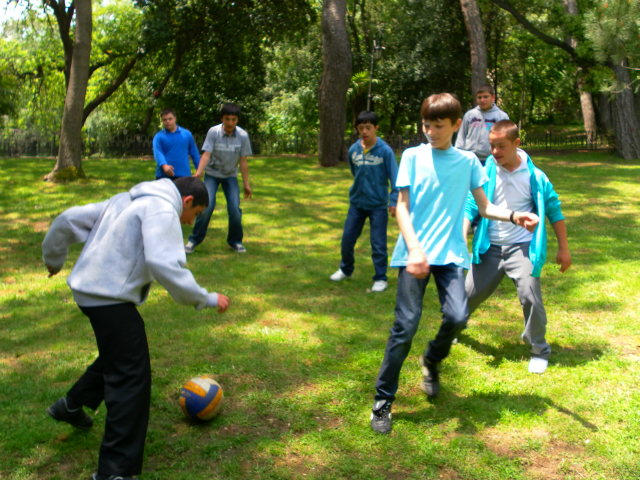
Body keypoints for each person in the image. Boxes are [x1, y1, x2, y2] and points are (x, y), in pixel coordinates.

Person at [370, 94, 539, 435]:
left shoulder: (467, 163)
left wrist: (513, 215)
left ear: (456, 125)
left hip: (450, 255)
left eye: (438, 126)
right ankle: (382, 402)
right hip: (414, 254)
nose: (431, 131)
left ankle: (431, 360)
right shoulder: (413, 157)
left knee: (459, 316)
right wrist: (415, 249)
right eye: (426, 125)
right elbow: (401, 206)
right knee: (405, 327)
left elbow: (484, 206)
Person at [42, 177, 230, 480]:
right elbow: (164, 264)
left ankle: (71, 405)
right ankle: (115, 472)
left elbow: (67, 219)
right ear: (187, 202)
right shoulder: (163, 209)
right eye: (195, 215)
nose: (189, 222)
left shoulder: (123, 199)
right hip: (108, 297)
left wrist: (53, 259)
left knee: (120, 355)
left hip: (90, 292)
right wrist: (205, 298)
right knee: (131, 378)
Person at [463, 120, 571, 375]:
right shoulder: (485, 171)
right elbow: (471, 205)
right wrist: (460, 236)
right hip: (489, 247)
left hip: (522, 247)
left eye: (501, 146)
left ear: (516, 144)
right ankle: (453, 329)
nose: (495, 152)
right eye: (491, 146)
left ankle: (539, 351)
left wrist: (563, 249)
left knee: (530, 295)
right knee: (465, 298)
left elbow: (554, 211)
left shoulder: (535, 176)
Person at [330, 111, 399, 293]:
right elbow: (355, 172)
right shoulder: (354, 150)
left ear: (376, 128)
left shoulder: (385, 151)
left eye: (368, 127)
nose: (364, 131)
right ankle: (346, 269)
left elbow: (395, 179)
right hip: (357, 204)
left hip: (377, 205)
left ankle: (380, 278)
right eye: (361, 128)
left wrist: (393, 200)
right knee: (347, 239)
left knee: (378, 243)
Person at [187, 103, 253, 254]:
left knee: (234, 209)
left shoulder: (242, 136)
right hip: (212, 175)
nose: (230, 123)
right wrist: (198, 173)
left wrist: (246, 185)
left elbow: (243, 162)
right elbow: (206, 154)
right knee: (206, 207)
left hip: (230, 176)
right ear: (222, 118)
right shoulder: (213, 132)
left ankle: (235, 242)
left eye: (233, 119)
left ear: (237, 120)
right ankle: (193, 240)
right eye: (227, 119)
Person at [455, 85, 510, 166]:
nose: (482, 100)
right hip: (469, 158)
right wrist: (458, 152)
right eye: (479, 97)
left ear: (493, 97)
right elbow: (461, 135)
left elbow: (506, 139)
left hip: (491, 159)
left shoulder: (501, 116)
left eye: (485, 97)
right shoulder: (470, 115)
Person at [152, 108, 201, 180]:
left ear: (175, 118)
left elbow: (194, 153)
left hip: (184, 175)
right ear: (162, 121)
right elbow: (158, 153)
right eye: (165, 120)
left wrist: (199, 168)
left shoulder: (187, 134)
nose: (167, 121)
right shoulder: (159, 136)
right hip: (164, 175)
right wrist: (164, 166)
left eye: (170, 119)